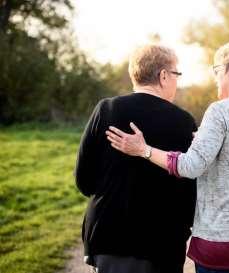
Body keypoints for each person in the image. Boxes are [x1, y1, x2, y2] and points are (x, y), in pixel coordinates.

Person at [106, 38, 229, 273]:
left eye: (217, 70)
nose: (216, 77)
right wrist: (208, 142)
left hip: (224, 242)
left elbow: (190, 167)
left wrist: (143, 150)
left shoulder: (220, 110)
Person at [75, 44, 197, 273]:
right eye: (177, 75)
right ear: (163, 76)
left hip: (109, 236)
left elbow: (84, 181)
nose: (177, 82)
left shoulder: (106, 110)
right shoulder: (183, 122)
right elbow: (191, 190)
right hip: (162, 242)